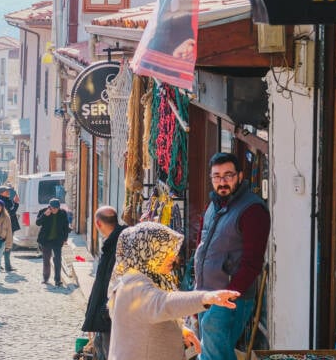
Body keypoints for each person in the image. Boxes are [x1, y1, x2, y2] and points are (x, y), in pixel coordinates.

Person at [108, 221, 239, 360]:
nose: (173, 256)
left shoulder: (137, 280)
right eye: (165, 249)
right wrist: (205, 298)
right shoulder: (135, 286)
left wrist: (179, 329)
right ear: (147, 251)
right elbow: (163, 303)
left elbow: (145, 320)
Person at [194, 152, 270, 360]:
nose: (222, 182)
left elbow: (253, 263)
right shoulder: (213, 205)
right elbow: (202, 247)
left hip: (229, 299)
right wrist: (196, 291)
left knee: (213, 356)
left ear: (240, 176)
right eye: (217, 176)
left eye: (228, 175)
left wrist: (229, 295)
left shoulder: (252, 210)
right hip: (205, 294)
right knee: (211, 353)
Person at [83, 206, 127, 360]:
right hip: (107, 313)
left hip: (109, 315)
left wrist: (103, 311)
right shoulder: (117, 241)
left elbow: (111, 283)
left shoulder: (118, 244)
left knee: (108, 353)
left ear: (98, 223)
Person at [36, 198, 70, 286]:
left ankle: (57, 280)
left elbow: (66, 226)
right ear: (49, 207)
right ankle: (45, 278)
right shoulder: (43, 211)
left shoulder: (62, 213)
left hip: (57, 240)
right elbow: (38, 223)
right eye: (53, 208)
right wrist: (44, 215)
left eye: (56, 208)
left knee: (57, 260)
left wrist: (65, 239)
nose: (55, 210)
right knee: (46, 260)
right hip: (45, 240)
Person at [0, 185, 20, 271]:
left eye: (8, 191)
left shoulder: (5, 200)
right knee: (5, 246)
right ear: (1, 193)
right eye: (6, 191)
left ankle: (4, 265)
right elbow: (10, 213)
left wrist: (14, 202)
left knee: (6, 246)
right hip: (6, 227)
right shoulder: (1, 202)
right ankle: (5, 266)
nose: (8, 192)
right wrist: (16, 203)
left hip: (8, 226)